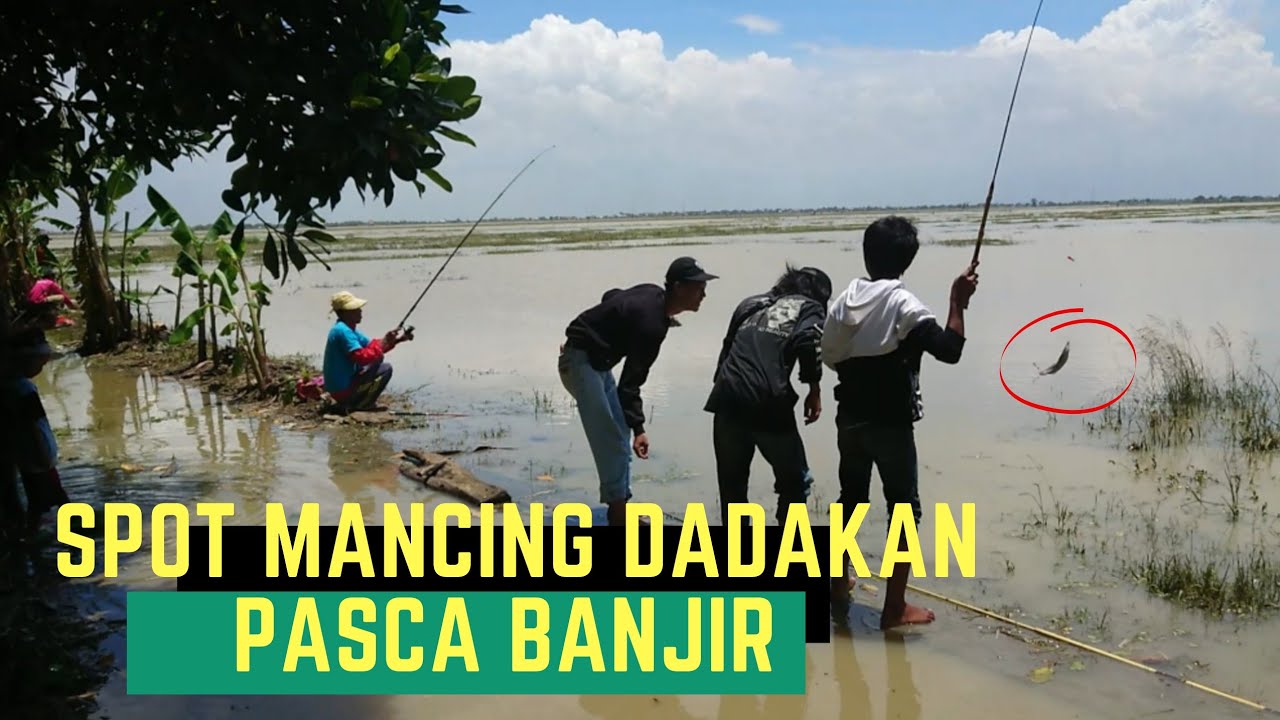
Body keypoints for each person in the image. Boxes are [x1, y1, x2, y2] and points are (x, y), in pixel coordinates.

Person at [820, 215, 978, 629]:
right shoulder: (903, 304)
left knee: (850, 502)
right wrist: (957, 301)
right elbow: (949, 349)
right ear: (908, 260)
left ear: (867, 254)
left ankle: (837, 585)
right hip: (890, 426)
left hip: (849, 422)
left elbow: (831, 357)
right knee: (904, 512)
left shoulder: (843, 301)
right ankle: (894, 609)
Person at [559, 256, 717, 526]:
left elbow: (613, 296)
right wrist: (640, 428)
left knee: (620, 433)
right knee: (610, 439)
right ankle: (617, 516)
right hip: (580, 364)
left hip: (592, 361)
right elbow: (630, 384)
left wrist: (590, 333)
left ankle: (620, 504)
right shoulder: (651, 326)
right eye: (698, 286)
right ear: (678, 288)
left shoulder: (652, 295)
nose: (704, 293)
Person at [703, 264, 832, 526]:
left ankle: (736, 559)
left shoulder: (749, 304)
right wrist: (814, 390)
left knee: (732, 487)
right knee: (795, 482)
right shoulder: (809, 307)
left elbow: (726, 351)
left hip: (726, 399)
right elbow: (808, 339)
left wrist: (725, 389)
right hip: (767, 402)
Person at [0, 329, 71, 541]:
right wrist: (44, 456)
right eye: (39, 363)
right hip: (38, 458)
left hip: (26, 458)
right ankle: (35, 539)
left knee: (39, 501)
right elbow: (32, 425)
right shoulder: (24, 390)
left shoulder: (10, 386)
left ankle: (26, 536)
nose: (41, 368)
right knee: (54, 500)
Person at [322, 291, 412, 413]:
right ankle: (362, 404)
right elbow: (361, 357)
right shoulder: (343, 331)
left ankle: (357, 400)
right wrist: (384, 343)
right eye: (356, 309)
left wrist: (396, 340)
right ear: (345, 312)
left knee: (378, 359)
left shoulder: (347, 329)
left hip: (341, 387)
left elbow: (372, 346)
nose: (360, 311)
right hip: (343, 391)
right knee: (386, 369)